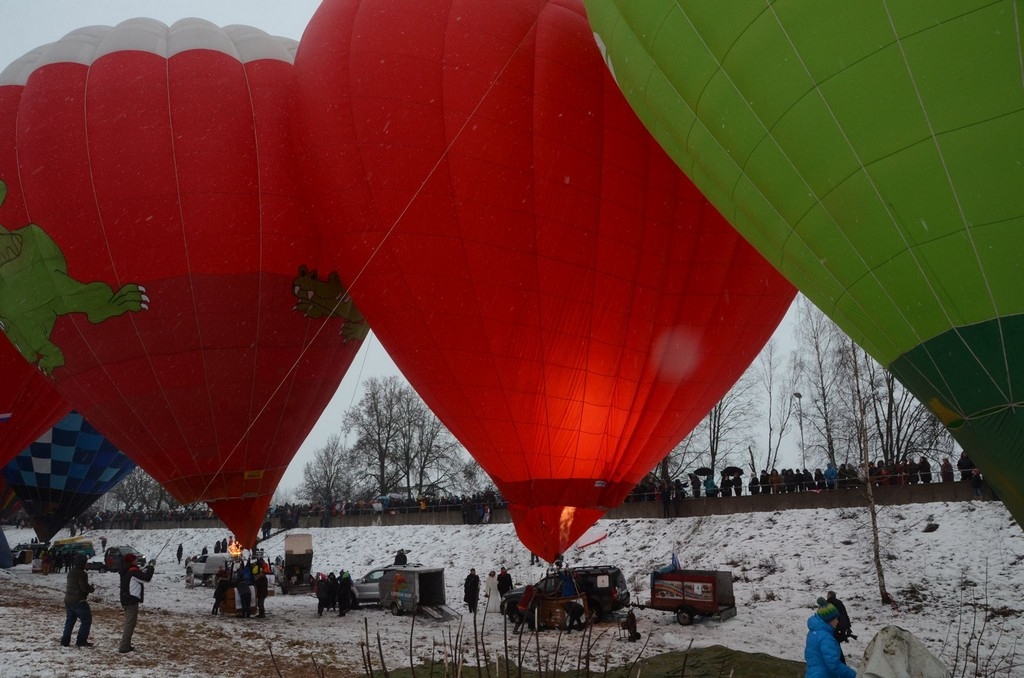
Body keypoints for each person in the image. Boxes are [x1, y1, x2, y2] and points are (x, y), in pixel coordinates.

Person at [804, 597, 856, 678]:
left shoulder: (813, 633)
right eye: (836, 619)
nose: (838, 621)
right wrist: (853, 675)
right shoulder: (826, 638)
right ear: (829, 620)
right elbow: (834, 665)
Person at [118, 553, 155, 653]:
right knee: (130, 624)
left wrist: (148, 568)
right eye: (135, 559)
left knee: (129, 623)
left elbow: (140, 574)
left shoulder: (126, 570)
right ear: (131, 561)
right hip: (131, 600)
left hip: (125, 599)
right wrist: (151, 568)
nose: (136, 561)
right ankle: (124, 646)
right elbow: (146, 578)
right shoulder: (133, 571)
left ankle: (126, 645)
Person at [61, 553, 95, 647]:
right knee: (86, 619)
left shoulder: (71, 572)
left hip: (68, 599)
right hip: (78, 600)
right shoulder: (82, 574)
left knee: (70, 621)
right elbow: (84, 587)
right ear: (83, 563)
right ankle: (81, 641)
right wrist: (91, 589)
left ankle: (65, 641)